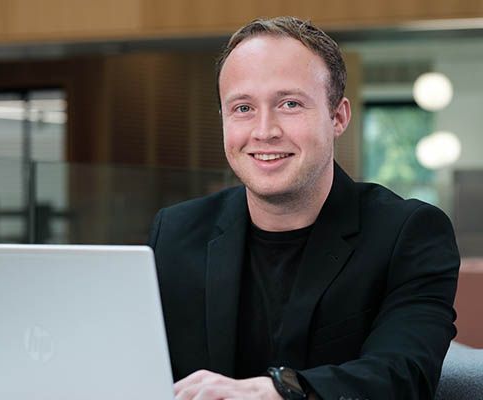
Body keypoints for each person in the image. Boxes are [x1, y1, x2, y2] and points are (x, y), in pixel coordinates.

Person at [148, 16, 459, 400]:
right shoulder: (176, 232)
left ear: (338, 117)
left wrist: (280, 391)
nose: (264, 130)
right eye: (242, 108)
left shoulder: (409, 233)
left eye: (290, 104)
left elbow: (403, 374)